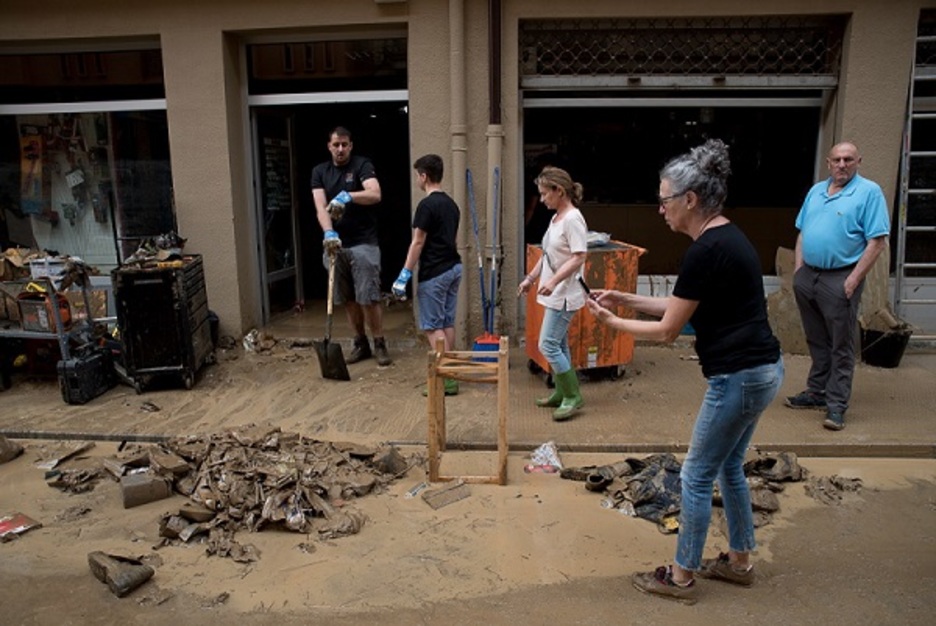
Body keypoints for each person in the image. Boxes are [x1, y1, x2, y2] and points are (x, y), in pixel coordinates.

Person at [586, 139, 783, 603]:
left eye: (664, 200)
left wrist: (613, 324)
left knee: (695, 476)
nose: (660, 210)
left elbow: (668, 330)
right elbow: (681, 306)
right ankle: (739, 562)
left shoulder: (704, 251)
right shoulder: (725, 237)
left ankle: (680, 577)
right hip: (762, 371)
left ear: (690, 200)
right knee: (729, 465)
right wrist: (624, 298)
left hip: (738, 377)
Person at [785, 141, 890, 431]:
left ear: (858, 162)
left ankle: (836, 405)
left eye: (848, 159)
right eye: (837, 160)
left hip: (840, 276)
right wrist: (799, 271)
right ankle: (816, 391)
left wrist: (853, 279)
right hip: (809, 275)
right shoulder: (816, 191)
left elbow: (877, 242)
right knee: (816, 339)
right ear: (828, 163)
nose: (842, 165)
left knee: (841, 345)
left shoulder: (869, 192)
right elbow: (803, 231)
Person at [312, 126, 391, 366]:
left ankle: (379, 343)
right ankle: (361, 343)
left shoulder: (361, 165)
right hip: (336, 245)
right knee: (348, 299)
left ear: (351, 146)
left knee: (369, 297)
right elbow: (320, 206)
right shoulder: (320, 172)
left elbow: (375, 193)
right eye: (336, 145)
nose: (340, 149)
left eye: (344, 145)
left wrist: (348, 196)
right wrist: (328, 232)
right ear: (329, 146)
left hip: (364, 243)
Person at [517, 166, 589, 421]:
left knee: (547, 344)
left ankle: (573, 396)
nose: (542, 199)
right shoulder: (557, 218)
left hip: (565, 294)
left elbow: (579, 257)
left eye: (544, 193)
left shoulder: (573, 219)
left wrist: (554, 281)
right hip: (555, 292)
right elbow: (547, 254)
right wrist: (531, 278)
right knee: (558, 344)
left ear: (559, 191)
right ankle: (561, 392)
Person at [392, 154, 463, 395]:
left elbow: (418, 242)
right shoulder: (452, 205)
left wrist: (405, 273)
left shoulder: (426, 206)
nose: (417, 179)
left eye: (417, 175)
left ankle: (446, 379)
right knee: (446, 322)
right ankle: (451, 373)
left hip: (435, 272)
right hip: (453, 268)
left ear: (424, 176)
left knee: (432, 326)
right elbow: (453, 240)